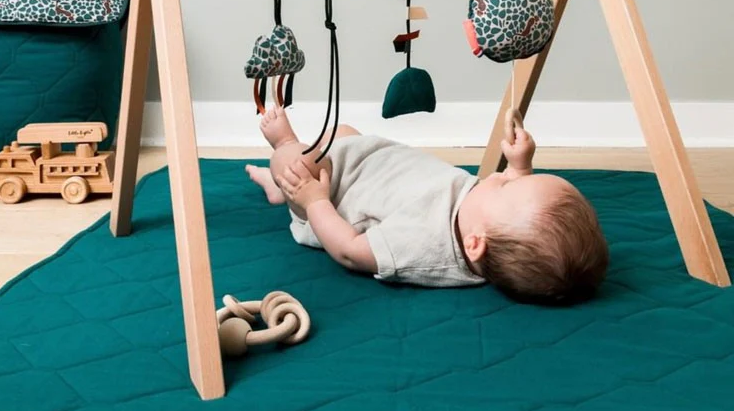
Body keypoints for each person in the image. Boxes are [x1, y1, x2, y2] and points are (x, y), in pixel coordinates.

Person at [246, 107, 608, 305]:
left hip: (332, 189)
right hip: (369, 157)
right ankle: (277, 187)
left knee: (296, 162)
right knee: (343, 130)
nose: (503, 177)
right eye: (523, 178)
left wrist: (314, 201)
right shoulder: (489, 226)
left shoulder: (424, 246)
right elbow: (517, 209)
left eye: (509, 184)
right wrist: (520, 164)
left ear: (475, 244)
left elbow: (350, 251)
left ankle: (283, 164)